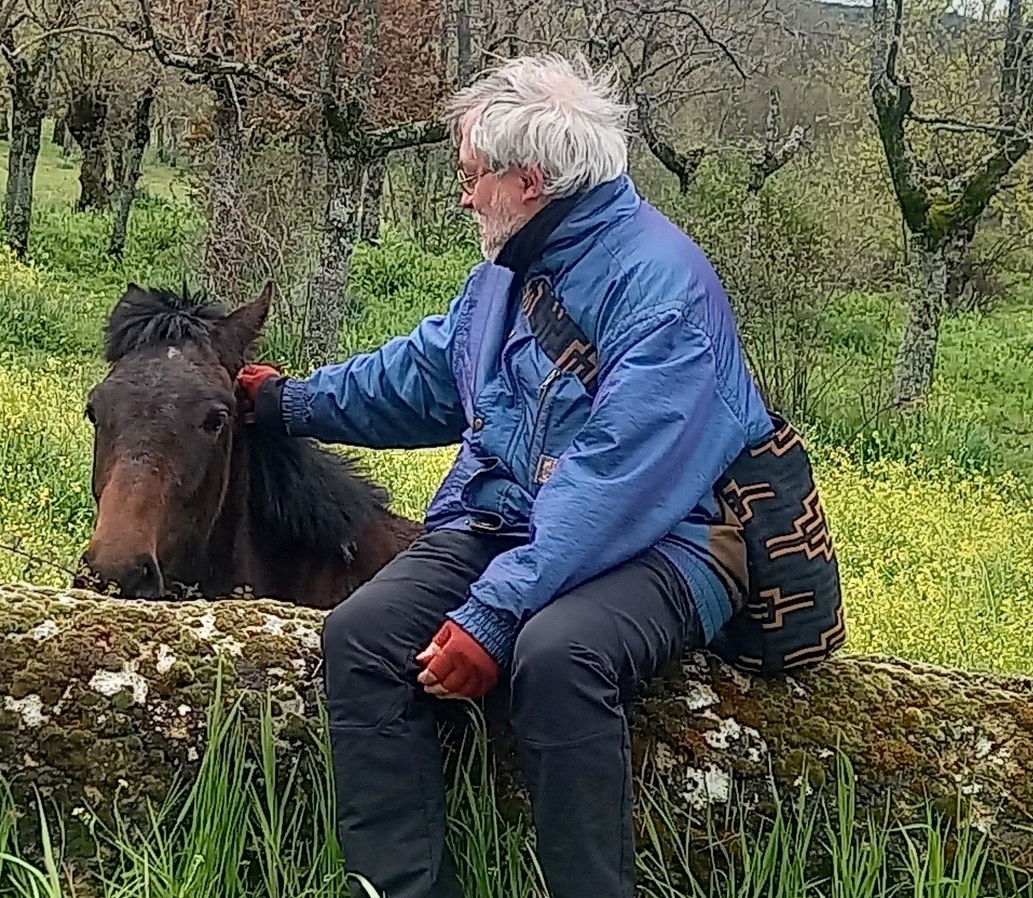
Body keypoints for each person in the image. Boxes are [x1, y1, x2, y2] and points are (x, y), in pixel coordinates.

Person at [235, 54, 835, 898]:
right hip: (513, 520)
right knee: (359, 637)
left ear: (530, 180)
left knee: (557, 656)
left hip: (674, 540)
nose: (463, 195)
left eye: (472, 177)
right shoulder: (506, 274)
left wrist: (490, 617)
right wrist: (290, 404)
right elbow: (424, 375)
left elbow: (612, 483)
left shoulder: (661, 289)